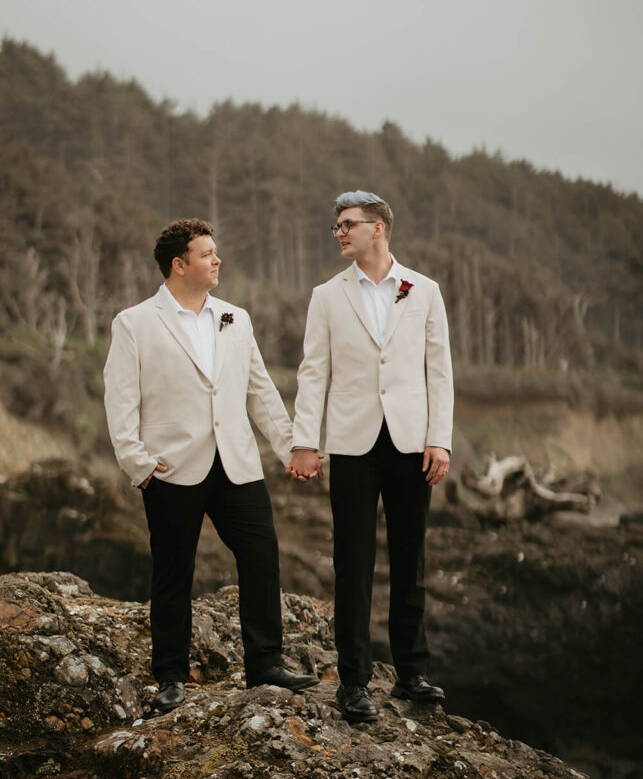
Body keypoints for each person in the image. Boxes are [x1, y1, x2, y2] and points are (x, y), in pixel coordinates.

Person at [104, 218, 318, 713]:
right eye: (206, 254)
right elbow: (120, 400)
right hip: (170, 467)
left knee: (262, 558)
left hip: (237, 464)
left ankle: (265, 664)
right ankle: (171, 678)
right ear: (179, 265)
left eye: (216, 252)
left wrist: (292, 449)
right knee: (173, 572)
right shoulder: (133, 323)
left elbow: (259, 390)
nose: (217, 260)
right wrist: (137, 463)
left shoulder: (235, 318)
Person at [287, 191, 453, 723]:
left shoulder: (423, 291)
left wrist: (440, 438)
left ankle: (412, 674)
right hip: (352, 445)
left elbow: (439, 372)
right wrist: (304, 442)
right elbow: (314, 372)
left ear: (378, 228)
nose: (339, 232)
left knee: (411, 560)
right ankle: (354, 683)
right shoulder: (327, 296)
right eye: (336, 225)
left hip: (411, 445)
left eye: (348, 224)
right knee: (352, 563)